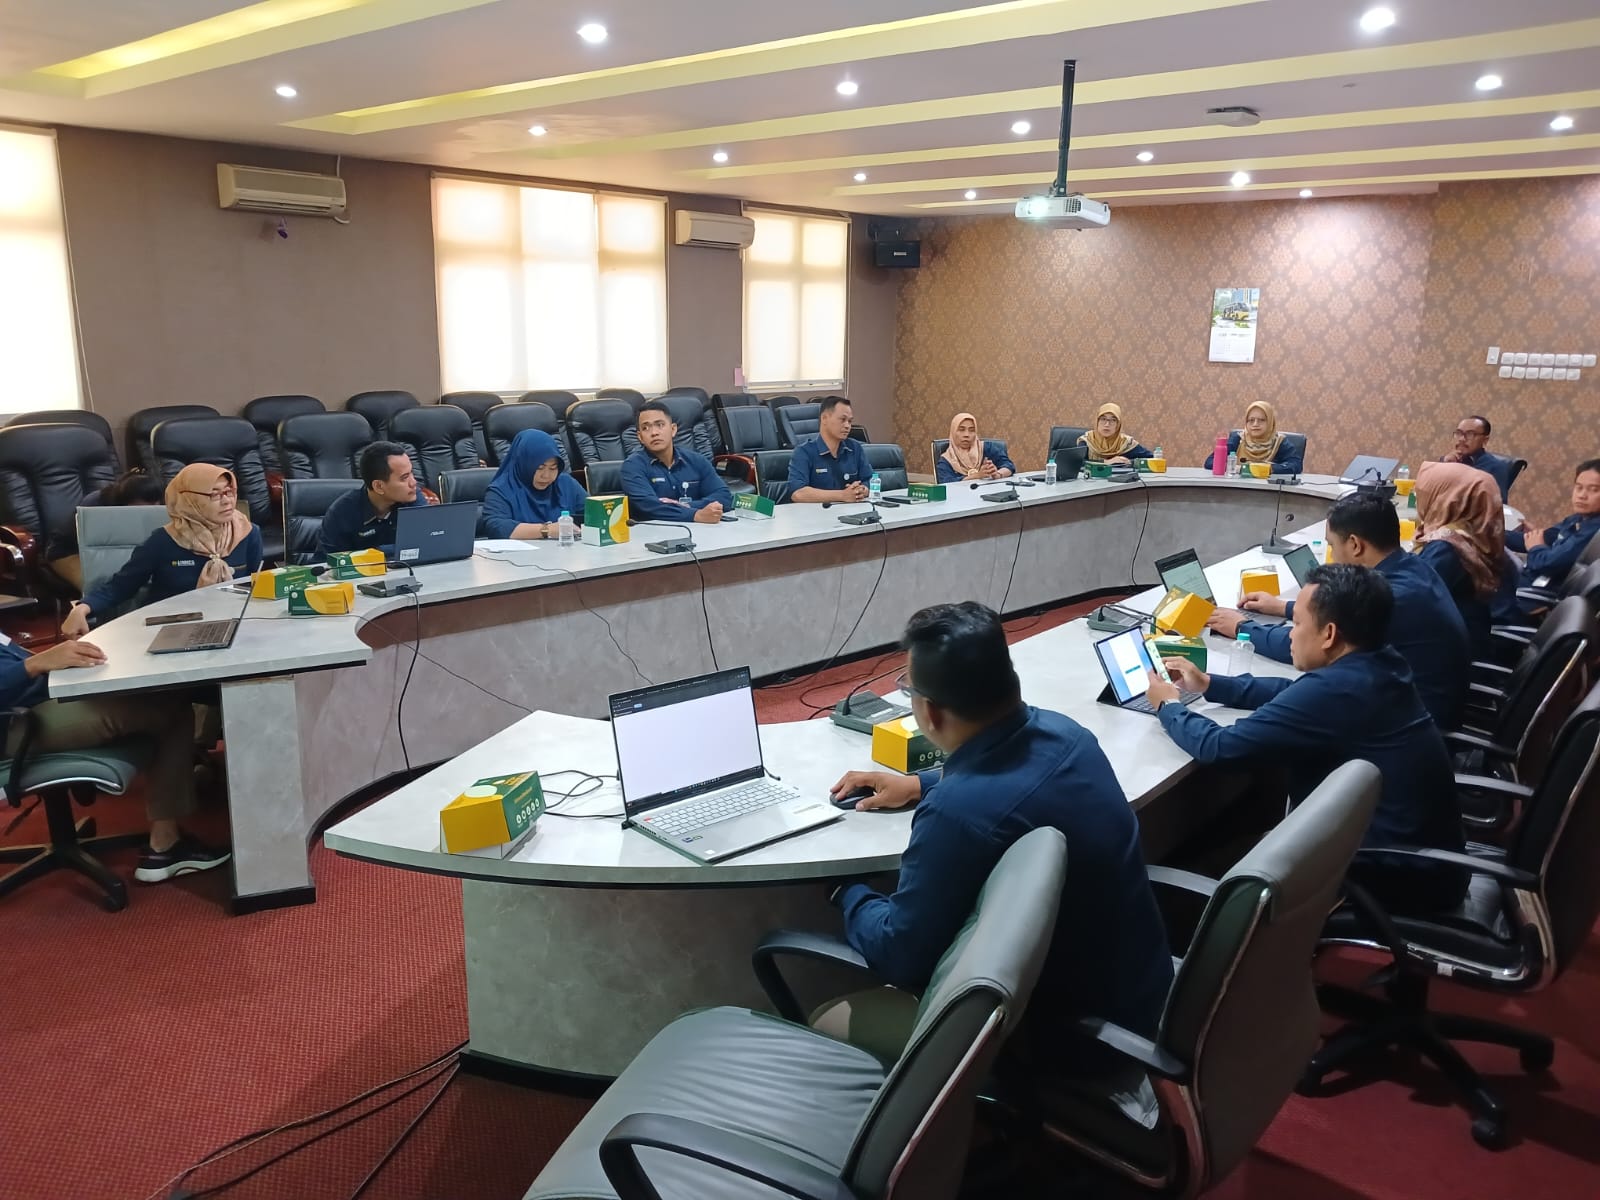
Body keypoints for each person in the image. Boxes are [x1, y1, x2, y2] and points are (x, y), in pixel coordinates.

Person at [826, 602, 1173, 1088]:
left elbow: (900, 956)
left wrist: (846, 891)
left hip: (1066, 1040)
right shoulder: (1069, 735)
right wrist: (921, 783)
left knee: (828, 1018)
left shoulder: (957, 815)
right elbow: (1016, 782)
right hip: (1144, 999)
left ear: (928, 711)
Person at [1150, 564, 1468, 914]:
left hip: (1391, 878)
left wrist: (1168, 706)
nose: (1289, 635)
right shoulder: (1380, 663)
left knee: (1185, 877)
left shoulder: (1338, 691)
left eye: (1298, 624)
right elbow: (1291, 692)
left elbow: (1219, 748)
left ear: (1329, 634)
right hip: (1423, 860)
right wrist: (1210, 684)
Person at [1209, 494, 1469, 728]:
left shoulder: (1392, 596)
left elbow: (1312, 647)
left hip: (1414, 720)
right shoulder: (1412, 567)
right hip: (1425, 704)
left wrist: (1242, 627)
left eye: (1332, 546)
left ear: (1355, 545)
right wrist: (1285, 608)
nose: (1332, 556)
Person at [1, 634, 230, 882]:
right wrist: (35, 664)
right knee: (170, 706)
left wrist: (55, 661)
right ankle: (165, 846)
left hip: (34, 699)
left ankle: (167, 838)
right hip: (16, 725)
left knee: (156, 695)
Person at [61, 464, 263, 637]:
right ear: (189, 499)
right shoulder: (163, 541)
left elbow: (255, 586)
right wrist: (81, 609)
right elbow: (120, 587)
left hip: (232, 626)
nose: (227, 501)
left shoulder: (248, 533)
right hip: (171, 629)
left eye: (229, 491)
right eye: (215, 494)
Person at [1412, 460, 1507, 655]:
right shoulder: (1477, 534)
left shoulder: (1446, 548)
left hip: (1448, 652)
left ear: (1446, 498)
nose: (1419, 497)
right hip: (1469, 635)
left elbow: (1412, 599)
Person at [1497, 458, 1600, 617]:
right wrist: (1491, 533)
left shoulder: (1594, 532)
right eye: (1579, 487)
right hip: (1521, 587)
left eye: (1594, 490)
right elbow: (1535, 539)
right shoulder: (1577, 519)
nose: (1582, 495)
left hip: (1529, 601)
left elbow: (1546, 563)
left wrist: (1537, 547)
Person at [47, 471, 166, 592]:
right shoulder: (95, 505)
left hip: (122, 553)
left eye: (157, 502)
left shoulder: (162, 503)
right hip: (71, 553)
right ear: (127, 502)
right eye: (148, 503)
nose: (154, 507)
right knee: (99, 588)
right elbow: (95, 550)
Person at [620, 399, 733, 524]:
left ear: (673, 429)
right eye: (646, 428)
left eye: (660, 425)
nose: (654, 433)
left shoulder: (697, 460)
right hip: (655, 531)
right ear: (640, 437)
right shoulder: (632, 466)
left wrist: (688, 506)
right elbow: (650, 507)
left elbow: (724, 496)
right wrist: (695, 515)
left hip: (700, 530)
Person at [317, 441, 430, 555]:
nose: (413, 482)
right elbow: (325, 561)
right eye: (404, 477)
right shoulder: (342, 512)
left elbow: (426, 543)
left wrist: (375, 552)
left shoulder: (413, 498)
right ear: (379, 486)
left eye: (411, 473)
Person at [480, 429, 588, 540]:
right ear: (523, 463)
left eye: (553, 468)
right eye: (539, 468)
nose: (546, 476)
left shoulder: (566, 483)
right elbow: (495, 527)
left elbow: (593, 513)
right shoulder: (501, 489)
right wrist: (547, 530)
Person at [786, 396, 873, 503]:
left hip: (853, 510)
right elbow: (798, 493)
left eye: (850, 421)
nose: (847, 426)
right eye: (842, 420)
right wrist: (842, 495)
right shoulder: (804, 452)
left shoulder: (855, 448)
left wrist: (862, 490)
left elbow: (871, 480)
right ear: (824, 418)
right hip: (818, 512)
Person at [1203, 400, 1303, 475]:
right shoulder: (1238, 439)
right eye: (1251, 420)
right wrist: (1237, 469)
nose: (1255, 424)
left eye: (1261, 420)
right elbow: (1210, 462)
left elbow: (1296, 465)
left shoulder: (1279, 442)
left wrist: (1269, 469)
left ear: (1270, 422)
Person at [1442, 414, 1516, 498]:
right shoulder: (1448, 460)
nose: (1461, 439)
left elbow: (1497, 503)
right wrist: (1445, 466)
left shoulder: (1496, 467)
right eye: (1459, 433)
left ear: (1485, 440)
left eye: (1470, 434)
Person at [935, 412, 1015, 484]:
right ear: (953, 432)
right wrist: (977, 476)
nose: (966, 434)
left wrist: (997, 474)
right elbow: (946, 483)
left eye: (971, 430)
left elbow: (1009, 465)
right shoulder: (946, 460)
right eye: (961, 430)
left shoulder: (987, 448)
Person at [1077, 403, 1152, 465]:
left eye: (1113, 420)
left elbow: (1150, 458)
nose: (1107, 424)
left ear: (1118, 425)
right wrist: (1106, 462)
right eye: (1103, 419)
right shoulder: (1087, 440)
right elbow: (1077, 463)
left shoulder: (1126, 443)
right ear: (1097, 421)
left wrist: (1129, 462)